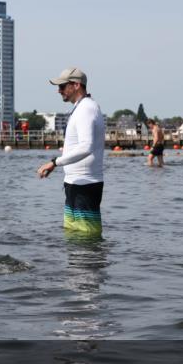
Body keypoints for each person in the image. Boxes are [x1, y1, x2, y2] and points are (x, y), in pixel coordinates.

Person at [37, 68, 106, 237]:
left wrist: (54, 163)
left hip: (85, 185)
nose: (58, 90)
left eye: (62, 86)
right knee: (73, 238)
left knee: (86, 239)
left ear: (76, 85)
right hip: (76, 184)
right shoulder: (81, 107)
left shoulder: (86, 109)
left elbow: (86, 146)